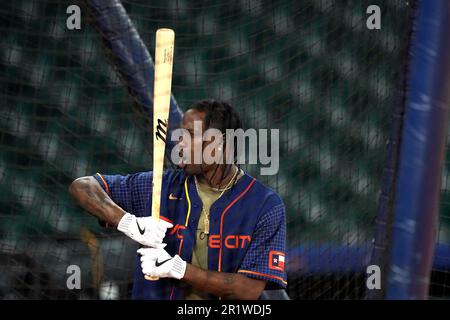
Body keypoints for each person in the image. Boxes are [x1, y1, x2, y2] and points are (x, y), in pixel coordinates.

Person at [69, 99, 287, 300]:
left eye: (190, 135)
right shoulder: (158, 186)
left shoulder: (265, 205)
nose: (179, 144)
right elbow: (83, 186)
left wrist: (177, 268)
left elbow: (247, 289)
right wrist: (128, 222)